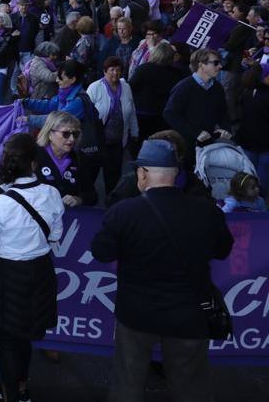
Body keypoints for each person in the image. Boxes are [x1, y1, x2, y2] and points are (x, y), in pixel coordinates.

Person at [91, 138, 234, 402]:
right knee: (192, 388)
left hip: (136, 316)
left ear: (142, 173)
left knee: (128, 385)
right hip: (190, 316)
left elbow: (101, 253)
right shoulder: (206, 212)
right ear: (175, 174)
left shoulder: (124, 212)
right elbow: (223, 250)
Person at [0, 133, 64, 402]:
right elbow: (55, 236)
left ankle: (10, 396)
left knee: (8, 341)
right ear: (34, 163)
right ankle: (22, 388)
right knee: (27, 335)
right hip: (41, 272)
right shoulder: (52, 193)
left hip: (7, 276)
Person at [86, 57, 139, 199]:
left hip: (117, 142)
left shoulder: (126, 87)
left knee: (113, 176)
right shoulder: (94, 87)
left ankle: (111, 203)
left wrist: (134, 131)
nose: (115, 73)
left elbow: (131, 110)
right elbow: (86, 114)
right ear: (104, 71)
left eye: (118, 70)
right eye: (112, 70)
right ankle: (88, 201)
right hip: (97, 142)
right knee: (91, 174)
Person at [163, 49, 232, 153]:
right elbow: (169, 114)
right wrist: (195, 132)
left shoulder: (217, 87)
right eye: (215, 63)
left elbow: (222, 113)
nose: (220, 67)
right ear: (201, 65)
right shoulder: (184, 87)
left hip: (208, 144)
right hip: (186, 144)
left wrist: (226, 129)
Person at [33, 111, 98, 207]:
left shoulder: (80, 158)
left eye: (75, 134)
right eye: (66, 134)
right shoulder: (33, 156)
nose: (72, 139)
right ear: (50, 134)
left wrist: (78, 199)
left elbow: (92, 196)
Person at [128, 41, 186, 140]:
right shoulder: (177, 73)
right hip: (163, 116)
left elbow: (130, 87)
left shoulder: (144, 69)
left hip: (142, 114)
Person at [237, 63, 269, 197]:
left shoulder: (247, 92)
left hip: (247, 140)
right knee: (263, 177)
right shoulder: (266, 95)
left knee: (249, 175)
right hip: (265, 143)